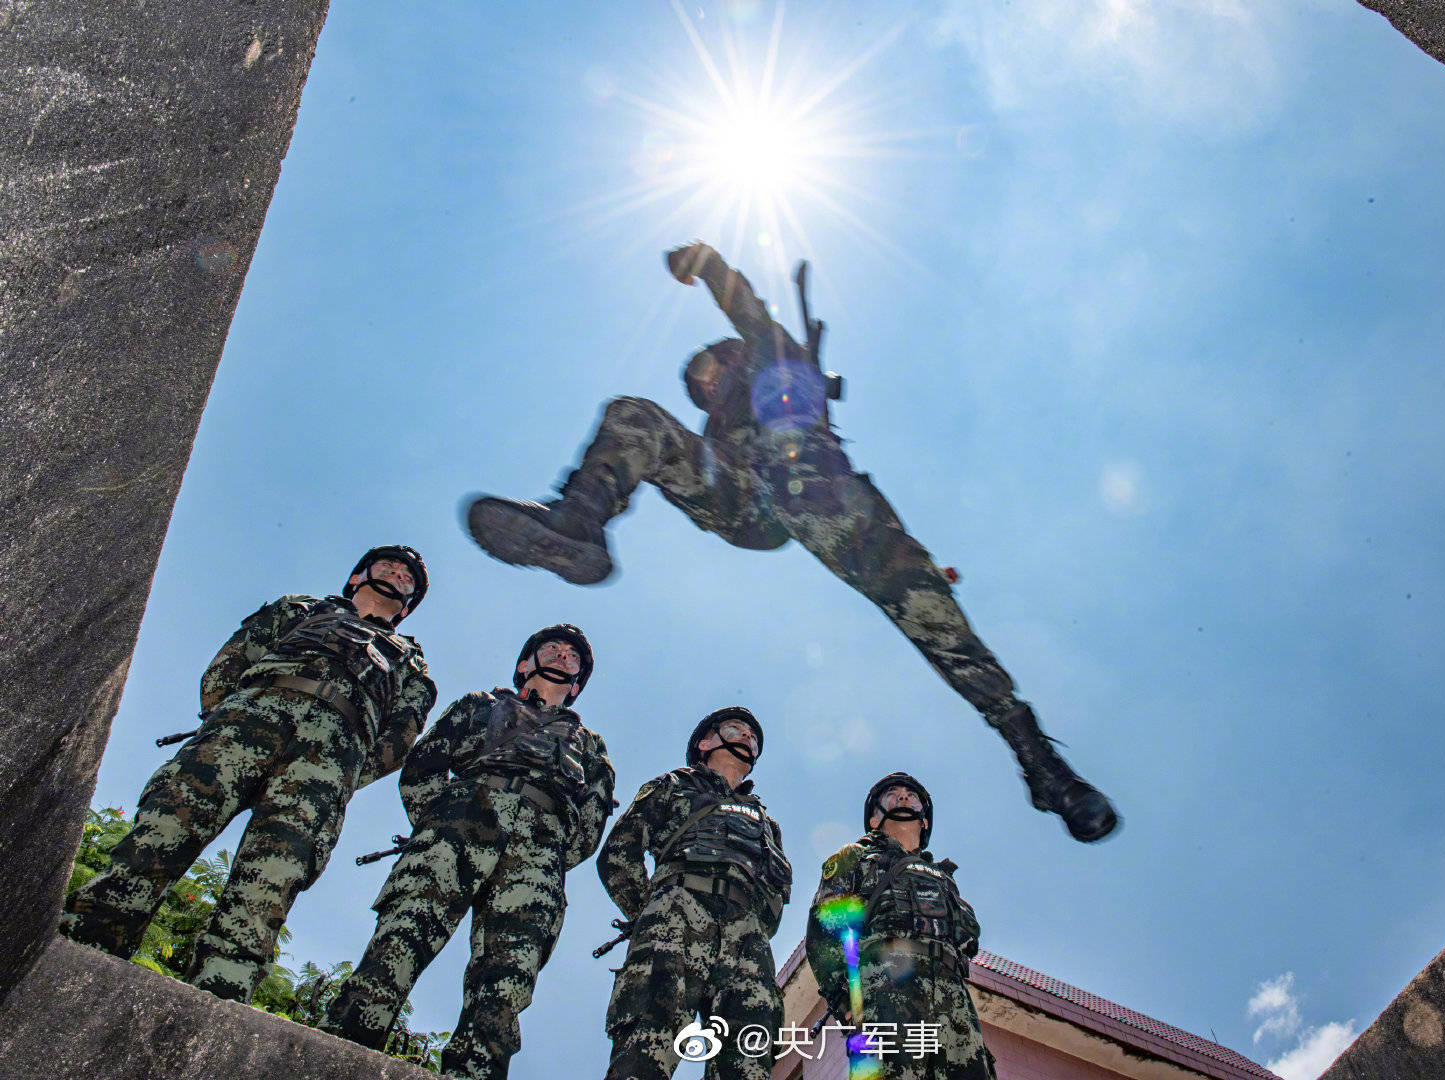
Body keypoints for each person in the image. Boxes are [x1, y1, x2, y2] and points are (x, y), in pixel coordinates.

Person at [465, 241, 1116, 843]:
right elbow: (690, 450)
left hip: (825, 494)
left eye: (709, 373)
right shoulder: (720, 429)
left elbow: (747, 305)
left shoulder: (774, 358)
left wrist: (709, 263)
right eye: (697, 387)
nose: (705, 387)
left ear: (733, 358)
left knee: (939, 626)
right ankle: (578, 524)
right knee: (634, 416)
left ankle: (1040, 762)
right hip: (745, 501)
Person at [61, 546, 436, 1002]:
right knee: (158, 839)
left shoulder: (412, 663)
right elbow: (230, 663)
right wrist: (230, 718)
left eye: (407, 577)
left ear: (410, 602)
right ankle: (75, 955)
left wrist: (343, 767)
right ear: (358, 576)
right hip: (246, 723)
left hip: (327, 762)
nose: (398, 574)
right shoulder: (298, 609)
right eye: (388, 567)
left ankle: (216, 1002)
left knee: (269, 886)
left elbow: (397, 740)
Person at [322, 624, 614, 1080]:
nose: (561, 655)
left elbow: (589, 826)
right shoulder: (480, 705)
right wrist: (443, 822)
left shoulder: (591, 746)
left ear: (577, 682)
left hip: (537, 857)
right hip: (459, 826)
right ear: (524, 664)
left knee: (504, 986)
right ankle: (333, 1061)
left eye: (572, 656)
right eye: (551, 648)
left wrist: (549, 852)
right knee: (398, 945)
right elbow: (424, 767)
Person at [596, 706, 791, 1080]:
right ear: (705, 743)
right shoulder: (674, 784)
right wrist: (653, 912)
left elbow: (776, 893)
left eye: (753, 736)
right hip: (676, 913)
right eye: (735, 729)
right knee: (647, 1041)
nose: (747, 737)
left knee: (749, 1054)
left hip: (746, 936)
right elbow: (620, 853)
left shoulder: (767, 823)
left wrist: (750, 928)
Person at [807, 773, 995, 1080]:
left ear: (925, 822)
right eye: (893, 794)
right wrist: (845, 1000)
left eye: (912, 795)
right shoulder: (855, 857)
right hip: (883, 986)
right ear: (873, 818)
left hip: (951, 993)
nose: (904, 797)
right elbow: (824, 930)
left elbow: (966, 939)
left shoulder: (943, 879)